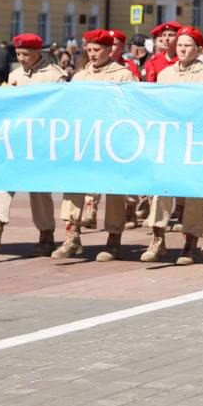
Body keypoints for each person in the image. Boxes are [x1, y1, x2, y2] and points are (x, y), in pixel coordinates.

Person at [0, 33, 68, 256]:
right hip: (16, 139)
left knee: (39, 190)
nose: (22, 58)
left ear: (38, 52)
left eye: (26, 54)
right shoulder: (15, 74)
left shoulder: (55, 76)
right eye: (18, 54)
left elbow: (60, 109)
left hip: (42, 140)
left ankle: (46, 235)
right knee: (2, 179)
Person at [53, 29, 139, 260]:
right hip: (85, 140)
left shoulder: (123, 75)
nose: (92, 54)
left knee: (113, 190)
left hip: (113, 141)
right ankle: (71, 236)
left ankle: (113, 239)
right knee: (74, 185)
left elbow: (133, 106)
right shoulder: (80, 77)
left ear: (109, 50)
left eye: (97, 50)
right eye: (89, 50)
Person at [147, 26, 203, 264]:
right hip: (170, 140)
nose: (182, 49)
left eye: (187, 45)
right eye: (179, 45)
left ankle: (190, 243)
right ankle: (157, 239)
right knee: (161, 189)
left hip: (198, 141)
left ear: (198, 49)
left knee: (194, 192)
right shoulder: (165, 75)